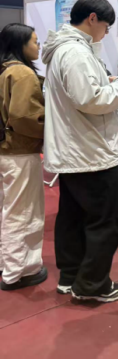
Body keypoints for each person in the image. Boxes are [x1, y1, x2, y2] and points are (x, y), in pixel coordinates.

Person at [42, 0, 118, 302]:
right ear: (92, 18)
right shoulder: (75, 52)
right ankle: (92, 285)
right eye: (106, 26)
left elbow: (84, 91)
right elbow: (90, 100)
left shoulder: (67, 49)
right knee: (112, 217)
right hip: (88, 152)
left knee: (74, 215)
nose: (106, 33)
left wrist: (107, 81)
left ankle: (70, 276)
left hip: (75, 150)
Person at [0, 24, 46, 290]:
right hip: (20, 151)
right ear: (21, 44)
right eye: (35, 41)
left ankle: (6, 263)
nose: (38, 46)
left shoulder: (4, 69)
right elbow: (24, 117)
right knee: (23, 212)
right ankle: (20, 271)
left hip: (5, 150)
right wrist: (51, 130)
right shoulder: (22, 73)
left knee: (7, 209)